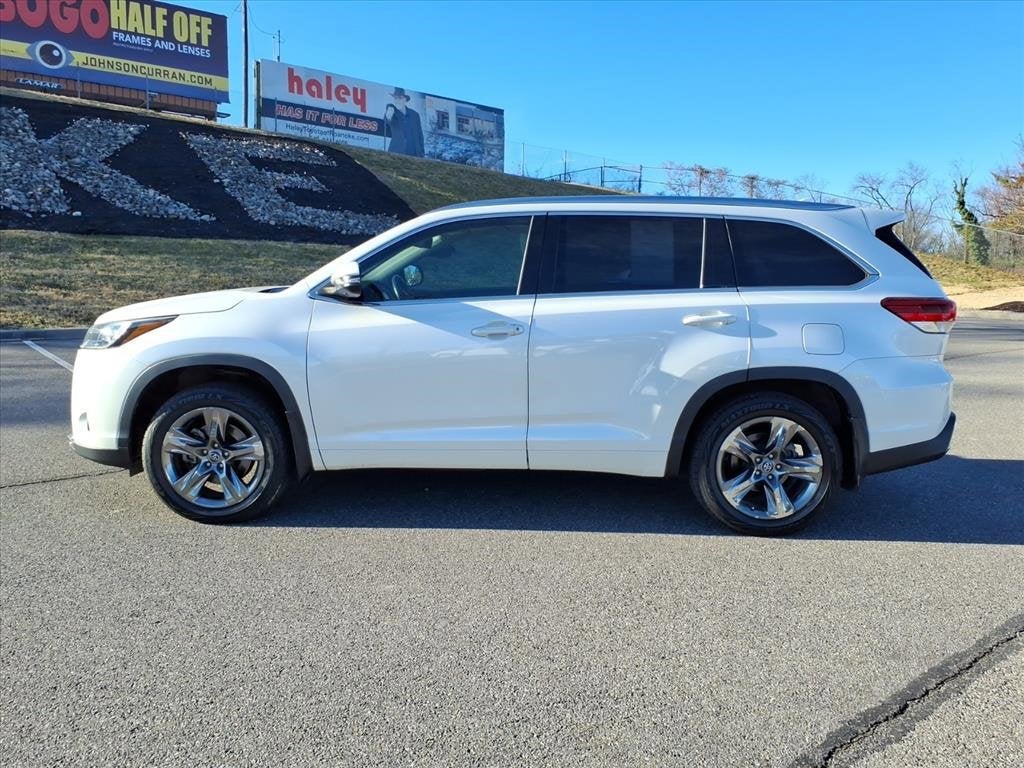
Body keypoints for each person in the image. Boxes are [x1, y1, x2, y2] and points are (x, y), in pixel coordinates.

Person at [383, 87, 424, 157]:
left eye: (400, 98)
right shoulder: (392, 112)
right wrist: (389, 109)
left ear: (405, 100)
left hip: (415, 154)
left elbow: (420, 135)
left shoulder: (415, 115)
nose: (397, 101)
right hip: (396, 153)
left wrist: (422, 153)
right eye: (395, 98)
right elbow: (387, 119)